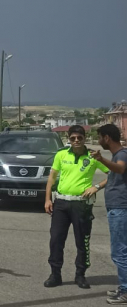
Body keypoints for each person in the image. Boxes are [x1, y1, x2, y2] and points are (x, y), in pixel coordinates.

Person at [44, 124, 109, 289]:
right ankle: (55, 274)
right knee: (56, 240)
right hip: (61, 203)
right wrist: (47, 200)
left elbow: (114, 174)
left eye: (80, 138)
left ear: (85, 138)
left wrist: (97, 187)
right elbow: (51, 178)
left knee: (82, 241)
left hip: (81, 205)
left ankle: (80, 275)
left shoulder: (94, 157)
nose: (76, 141)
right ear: (68, 139)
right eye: (73, 138)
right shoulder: (61, 155)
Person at [91, 124, 127, 303]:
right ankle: (123, 287)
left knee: (120, 251)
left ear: (106, 138)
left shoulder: (121, 155)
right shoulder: (118, 154)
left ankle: (126, 291)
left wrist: (101, 160)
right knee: (121, 250)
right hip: (117, 209)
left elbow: (120, 168)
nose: (99, 141)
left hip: (121, 209)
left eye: (99, 137)